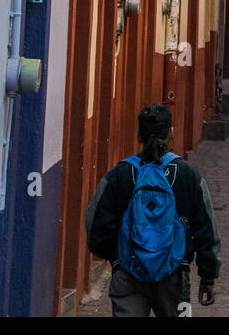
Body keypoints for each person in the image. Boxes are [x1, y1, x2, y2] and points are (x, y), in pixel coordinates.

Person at [86, 102, 221, 315]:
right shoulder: (187, 174)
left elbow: (95, 225)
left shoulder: (121, 174)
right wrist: (208, 276)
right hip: (174, 274)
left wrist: (118, 259)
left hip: (128, 274)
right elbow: (206, 229)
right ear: (171, 133)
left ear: (139, 135)